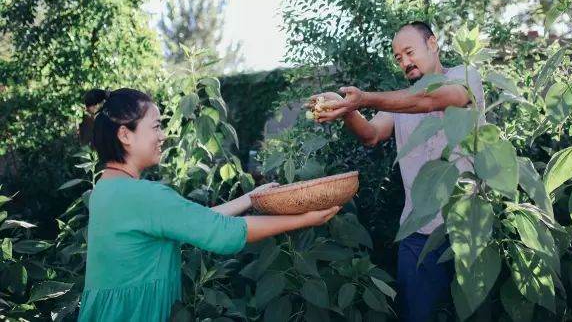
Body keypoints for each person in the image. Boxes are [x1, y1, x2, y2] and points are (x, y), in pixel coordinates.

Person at [78, 88, 340, 322]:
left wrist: (250, 197)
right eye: (156, 126)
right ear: (125, 134)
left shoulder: (106, 189)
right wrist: (304, 219)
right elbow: (221, 233)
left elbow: (195, 221)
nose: (164, 135)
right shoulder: (142, 195)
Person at [309, 21, 485, 321]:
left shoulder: (464, 76)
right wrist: (345, 108)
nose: (404, 62)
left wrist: (364, 98)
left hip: (470, 230)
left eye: (408, 52)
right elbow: (371, 134)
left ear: (432, 44)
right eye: (398, 58)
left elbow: (435, 99)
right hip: (417, 236)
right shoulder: (400, 101)